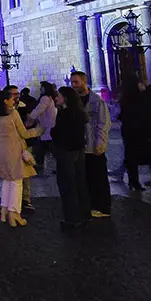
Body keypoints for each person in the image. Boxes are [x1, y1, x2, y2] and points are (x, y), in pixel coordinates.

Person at [0, 87, 41, 227]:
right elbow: (24, 134)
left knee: (7, 181)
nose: (14, 101)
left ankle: (4, 210)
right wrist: (39, 130)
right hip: (13, 151)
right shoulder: (13, 114)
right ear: (5, 101)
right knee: (17, 181)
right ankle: (14, 213)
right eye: (12, 99)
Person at [71, 71, 112, 218]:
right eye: (72, 82)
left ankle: (102, 206)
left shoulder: (96, 101)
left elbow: (103, 123)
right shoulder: (74, 101)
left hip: (93, 144)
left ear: (84, 82)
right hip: (80, 145)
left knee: (98, 176)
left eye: (76, 82)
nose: (73, 85)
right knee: (84, 176)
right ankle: (88, 204)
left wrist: (100, 143)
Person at [53, 86, 91, 229]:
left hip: (66, 151)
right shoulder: (79, 113)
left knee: (67, 185)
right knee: (80, 182)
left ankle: (72, 217)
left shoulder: (64, 114)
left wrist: (52, 132)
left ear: (66, 98)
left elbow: (58, 133)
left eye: (59, 96)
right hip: (79, 150)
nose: (56, 98)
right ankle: (85, 213)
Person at [118, 78, 149, 191]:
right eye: (140, 83)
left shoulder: (125, 99)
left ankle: (132, 180)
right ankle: (134, 182)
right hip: (137, 131)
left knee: (130, 156)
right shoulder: (139, 98)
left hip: (128, 131)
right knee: (134, 156)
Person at [26, 82, 58, 172]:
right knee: (46, 148)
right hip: (49, 127)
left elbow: (39, 109)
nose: (40, 89)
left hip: (46, 127)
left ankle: (39, 167)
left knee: (43, 148)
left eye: (42, 87)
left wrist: (31, 117)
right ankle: (41, 166)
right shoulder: (50, 98)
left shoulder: (45, 98)